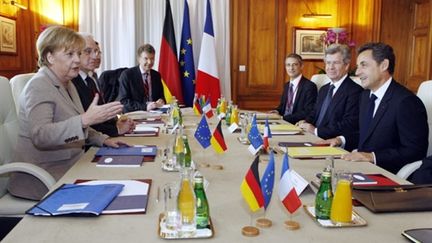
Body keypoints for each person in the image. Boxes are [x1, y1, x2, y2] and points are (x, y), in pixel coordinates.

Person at [7, 26, 127, 200]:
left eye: (78, 53)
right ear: (50, 57)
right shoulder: (38, 86)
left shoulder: (67, 83)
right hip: (44, 178)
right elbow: (40, 135)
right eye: (70, 54)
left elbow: (76, 122)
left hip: (73, 165)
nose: (77, 60)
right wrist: (85, 120)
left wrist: (104, 139)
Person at [324, 42, 428, 175]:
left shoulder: (406, 102)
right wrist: (341, 140)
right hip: (359, 169)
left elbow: (415, 151)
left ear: (384, 65)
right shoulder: (365, 96)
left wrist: (372, 157)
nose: (357, 72)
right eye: (357, 66)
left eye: (364, 65)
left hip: (386, 174)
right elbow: (365, 135)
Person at [297, 44, 363, 150]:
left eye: (336, 63)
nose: (331, 67)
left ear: (346, 66)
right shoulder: (324, 89)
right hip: (312, 139)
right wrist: (306, 122)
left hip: (332, 145)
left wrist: (316, 131)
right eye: (328, 63)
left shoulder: (355, 91)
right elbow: (315, 113)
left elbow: (348, 124)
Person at [72, 33, 134, 137]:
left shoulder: (90, 80)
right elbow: (85, 123)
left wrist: (116, 123)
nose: (95, 56)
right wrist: (116, 129)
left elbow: (99, 116)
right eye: (88, 51)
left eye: (96, 51)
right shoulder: (71, 82)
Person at [118, 44, 165, 112]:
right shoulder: (127, 75)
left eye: (152, 58)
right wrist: (145, 107)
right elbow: (124, 101)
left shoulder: (156, 75)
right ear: (139, 59)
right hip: (135, 114)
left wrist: (161, 100)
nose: (149, 62)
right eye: (146, 58)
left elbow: (161, 96)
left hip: (155, 113)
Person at [272, 53, 317, 124]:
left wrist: (283, 118)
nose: (291, 68)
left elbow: (308, 111)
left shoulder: (309, 86)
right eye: (288, 65)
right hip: (282, 122)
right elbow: (282, 106)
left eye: (294, 65)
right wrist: (276, 111)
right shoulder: (287, 85)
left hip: (297, 124)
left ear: (301, 66)